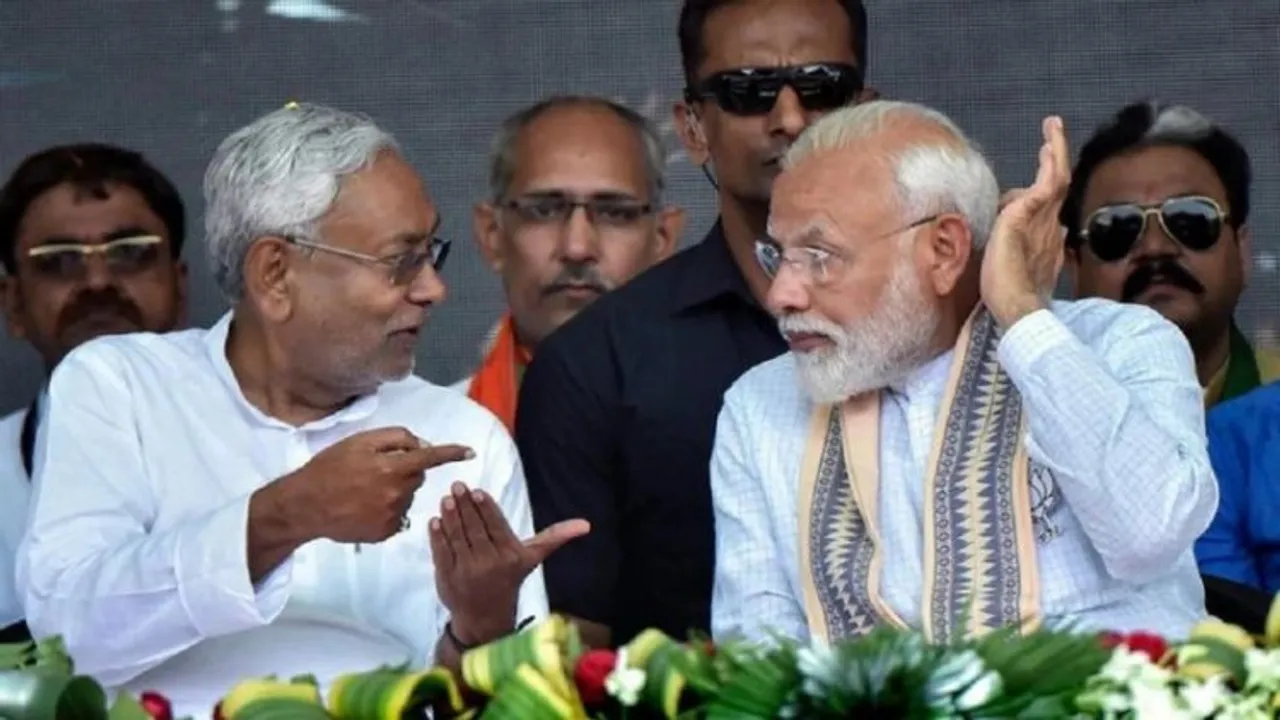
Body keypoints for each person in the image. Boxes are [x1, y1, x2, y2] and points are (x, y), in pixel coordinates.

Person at [17, 103, 586, 717]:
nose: (433, 289)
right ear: (276, 274)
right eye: (402, 261)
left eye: (432, 253)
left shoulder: (462, 435)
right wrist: (286, 515)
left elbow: (507, 701)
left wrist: (479, 631)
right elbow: (68, 634)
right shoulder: (120, 388)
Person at [710, 100, 1216, 645]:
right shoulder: (759, 405)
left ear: (945, 250)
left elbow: (1149, 535)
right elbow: (757, 652)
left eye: (819, 255)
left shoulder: (1119, 344)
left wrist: (1023, 315)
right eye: (778, 255)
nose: (781, 294)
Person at [515, 0, 876, 649]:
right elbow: (576, 657)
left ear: (870, 110)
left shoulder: (955, 327)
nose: (790, 118)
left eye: (823, 87)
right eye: (748, 92)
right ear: (692, 128)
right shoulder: (592, 365)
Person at [0, 143, 187, 643]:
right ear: (13, 303)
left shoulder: (272, 453)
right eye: (58, 262)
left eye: (131, 253)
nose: (98, 281)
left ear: (180, 284)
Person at [453, 96, 682, 430]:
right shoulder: (423, 448)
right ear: (492, 235)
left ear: (662, 240)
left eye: (614, 212)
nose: (577, 248)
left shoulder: (731, 431)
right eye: (543, 210)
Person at [1061, 100, 1278, 408]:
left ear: (1241, 251)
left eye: (1191, 220)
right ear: (1075, 268)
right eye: (1117, 228)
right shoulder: (1029, 428)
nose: (1154, 247)